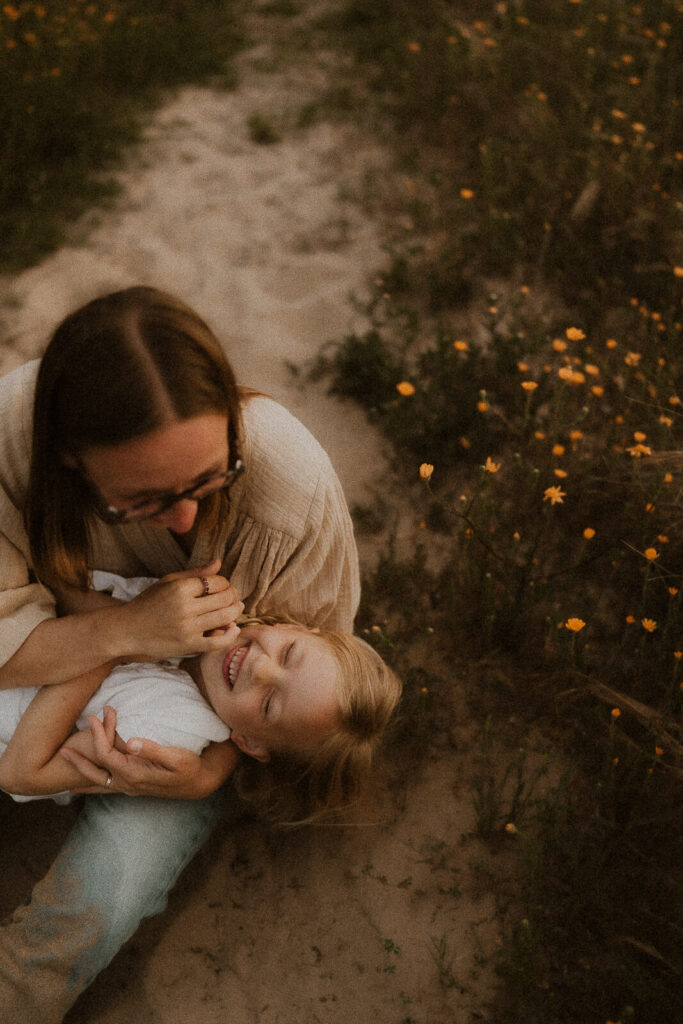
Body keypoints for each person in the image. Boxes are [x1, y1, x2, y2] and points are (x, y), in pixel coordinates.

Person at [0, 286, 362, 1022]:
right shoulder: (7, 442)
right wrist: (127, 630)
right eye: (139, 501)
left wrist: (206, 774)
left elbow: (317, 652)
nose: (187, 519)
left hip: (177, 742)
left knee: (115, 879)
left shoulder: (287, 483)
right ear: (69, 461)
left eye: (209, 480)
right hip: (38, 687)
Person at [0, 572, 401, 822]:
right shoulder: (199, 613)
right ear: (297, 628)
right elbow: (65, 586)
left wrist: (118, 643)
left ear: (250, 742)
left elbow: (21, 771)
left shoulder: (172, 732)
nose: (260, 668)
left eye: (269, 704)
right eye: (287, 654)